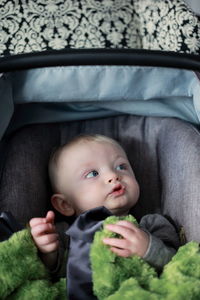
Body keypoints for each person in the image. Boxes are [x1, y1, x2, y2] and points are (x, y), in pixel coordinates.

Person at [29, 134, 179, 298]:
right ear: (65, 204)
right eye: (92, 174)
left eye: (121, 167)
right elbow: (48, 276)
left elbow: (178, 263)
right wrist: (47, 253)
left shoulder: (152, 224)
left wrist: (147, 249)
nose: (113, 176)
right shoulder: (64, 235)